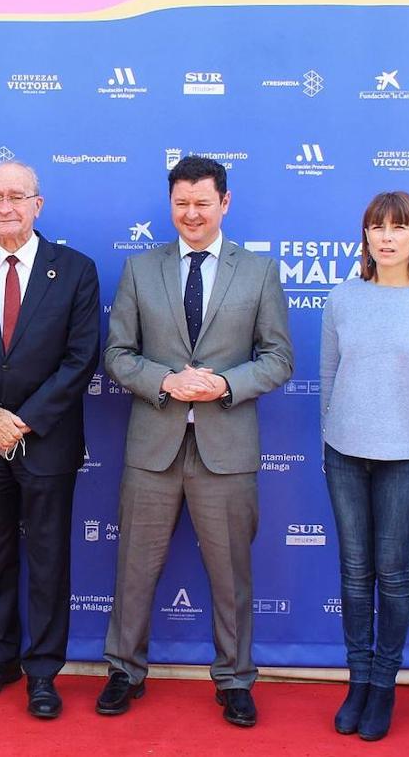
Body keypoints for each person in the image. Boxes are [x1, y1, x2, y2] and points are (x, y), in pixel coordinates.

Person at [99, 156, 292, 726]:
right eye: (181, 203)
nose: (191, 213)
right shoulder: (140, 269)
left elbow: (280, 358)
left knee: (232, 574)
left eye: (202, 203)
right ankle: (123, 672)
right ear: (171, 204)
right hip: (153, 448)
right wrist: (165, 380)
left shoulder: (258, 272)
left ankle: (234, 679)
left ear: (224, 203)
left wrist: (224, 385)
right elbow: (116, 355)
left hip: (225, 449)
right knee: (134, 568)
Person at [0, 161, 101, 720]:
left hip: (45, 440)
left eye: (15, 196)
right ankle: (0, 658)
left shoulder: (75, 270)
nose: (4, 207)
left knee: (49, 560)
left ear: (38, 204)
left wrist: (22, 420)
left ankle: (44, 671)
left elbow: (81, 360)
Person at [319, 191, 409, 741]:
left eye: (398, 227)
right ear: (365, 236)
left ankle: (383, 684)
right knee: (354, 574)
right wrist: (328, 445)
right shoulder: (343, 299)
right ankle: (357, 680)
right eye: (376, 226)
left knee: (393, 572)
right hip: (345, 457)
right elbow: (328, 384)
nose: (386, 236)